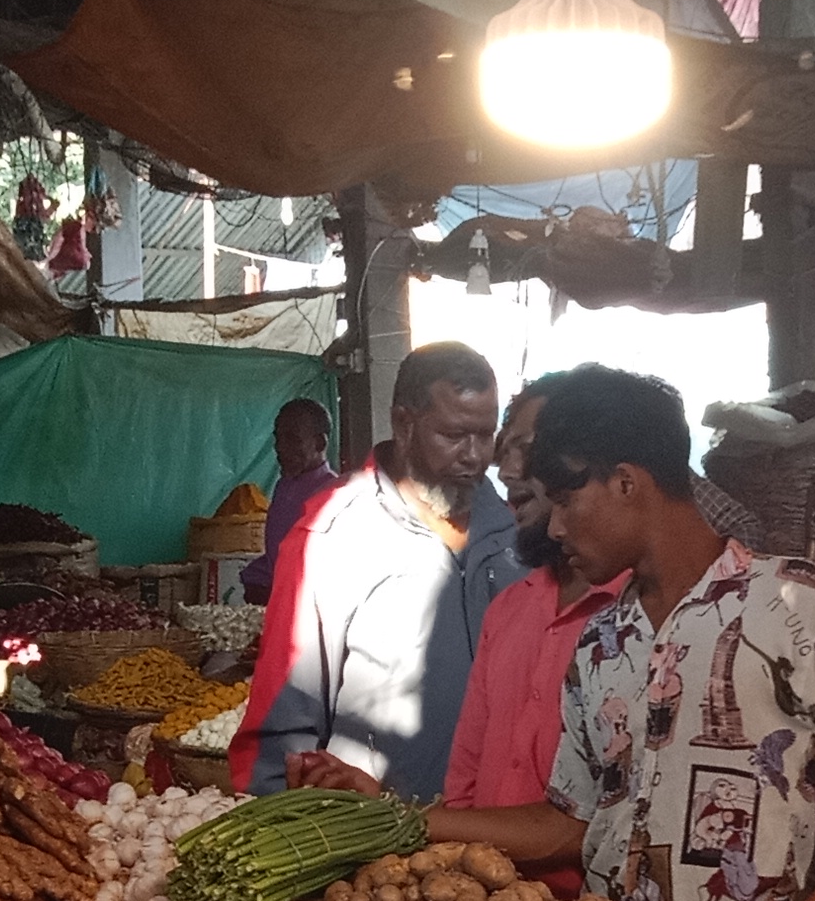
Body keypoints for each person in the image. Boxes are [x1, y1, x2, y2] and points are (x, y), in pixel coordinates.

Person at [305, 365, 815, 901]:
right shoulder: (601, 644)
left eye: (565, 501)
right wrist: (397, 818)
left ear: (626, 482)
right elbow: (565, 823)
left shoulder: (799, 603)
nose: (554, 528)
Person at [234, 347, 519, 797]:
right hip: (382, 840)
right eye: (454, 435)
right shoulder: (333, 536)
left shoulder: (512, 531)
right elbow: (282, 723)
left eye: (486, 436)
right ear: (404, 424)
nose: (474, 455)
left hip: (501, 833)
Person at [437, 376, 623, 813]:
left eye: (528, 449)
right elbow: (464, 782)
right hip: (485, 876)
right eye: (505, 451)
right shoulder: (508, 610)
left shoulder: (641, 613)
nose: (506, 472)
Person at [236, 398, 340, 603]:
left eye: (292, 439)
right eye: (278, 438)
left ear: (320, 443)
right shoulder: (284, 486)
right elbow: (277, 557)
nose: (280, 448)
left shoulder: (334, 494)